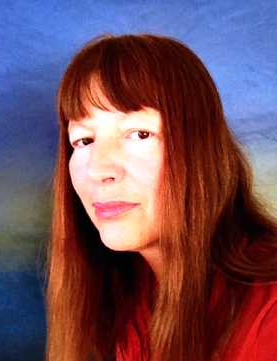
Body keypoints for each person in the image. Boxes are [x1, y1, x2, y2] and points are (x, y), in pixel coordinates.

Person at [46, 34, 277, 361]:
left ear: (200, 150)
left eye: (140, 134)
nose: (98, 169)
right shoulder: (128, 289)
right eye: (83, 140)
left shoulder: (269, 314)